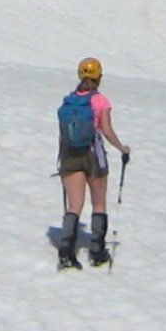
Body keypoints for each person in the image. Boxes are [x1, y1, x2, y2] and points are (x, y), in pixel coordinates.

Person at [53, 58, 130, 268]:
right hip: (93, 156)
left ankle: (66, 251)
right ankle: (97, 251)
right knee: (98, 203)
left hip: (70, 156)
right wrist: (122, 148)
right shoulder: (100, 101)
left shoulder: (68, 101)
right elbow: (106, 130)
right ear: (99, 77)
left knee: (74, 205)